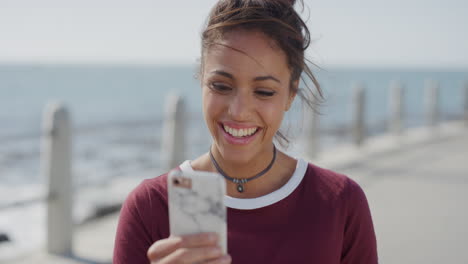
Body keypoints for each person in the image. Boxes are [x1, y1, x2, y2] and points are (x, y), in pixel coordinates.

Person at [113, 0, 378, 263]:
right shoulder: (149, 207)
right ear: (201, 79)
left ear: (291, 93)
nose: (239, 111)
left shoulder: (340, 202)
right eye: (221, 86)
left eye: (264, 92)